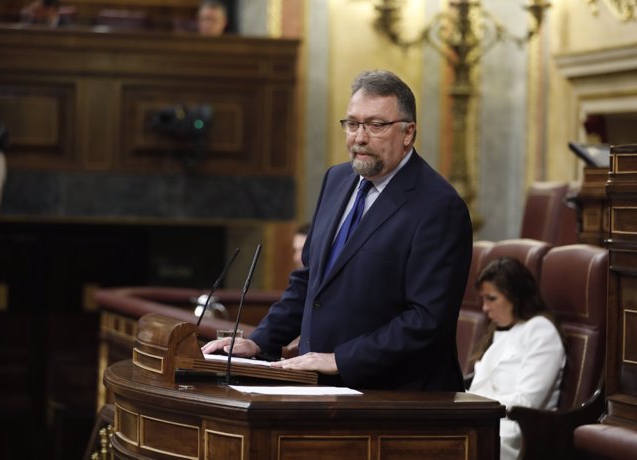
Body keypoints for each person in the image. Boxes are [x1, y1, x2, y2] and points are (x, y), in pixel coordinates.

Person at [202, 69, 473, 391]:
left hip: (396, 396)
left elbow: (427, 320)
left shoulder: (439, 205)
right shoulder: (337, 179)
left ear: (408, 133)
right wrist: (260, 342)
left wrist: (340, 359)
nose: (359, 137)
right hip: (319, 386)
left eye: (375, 125)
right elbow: (310, 281)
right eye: (353, 124)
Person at [468, 257, 566, 460]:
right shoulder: (502, 329)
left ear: (516, 296)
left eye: (491, 298)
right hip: (485, 420)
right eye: (483, 299)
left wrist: (473, 402)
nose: (485, 308)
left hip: (518, 432)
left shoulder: (540, 330)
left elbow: (527, 402)